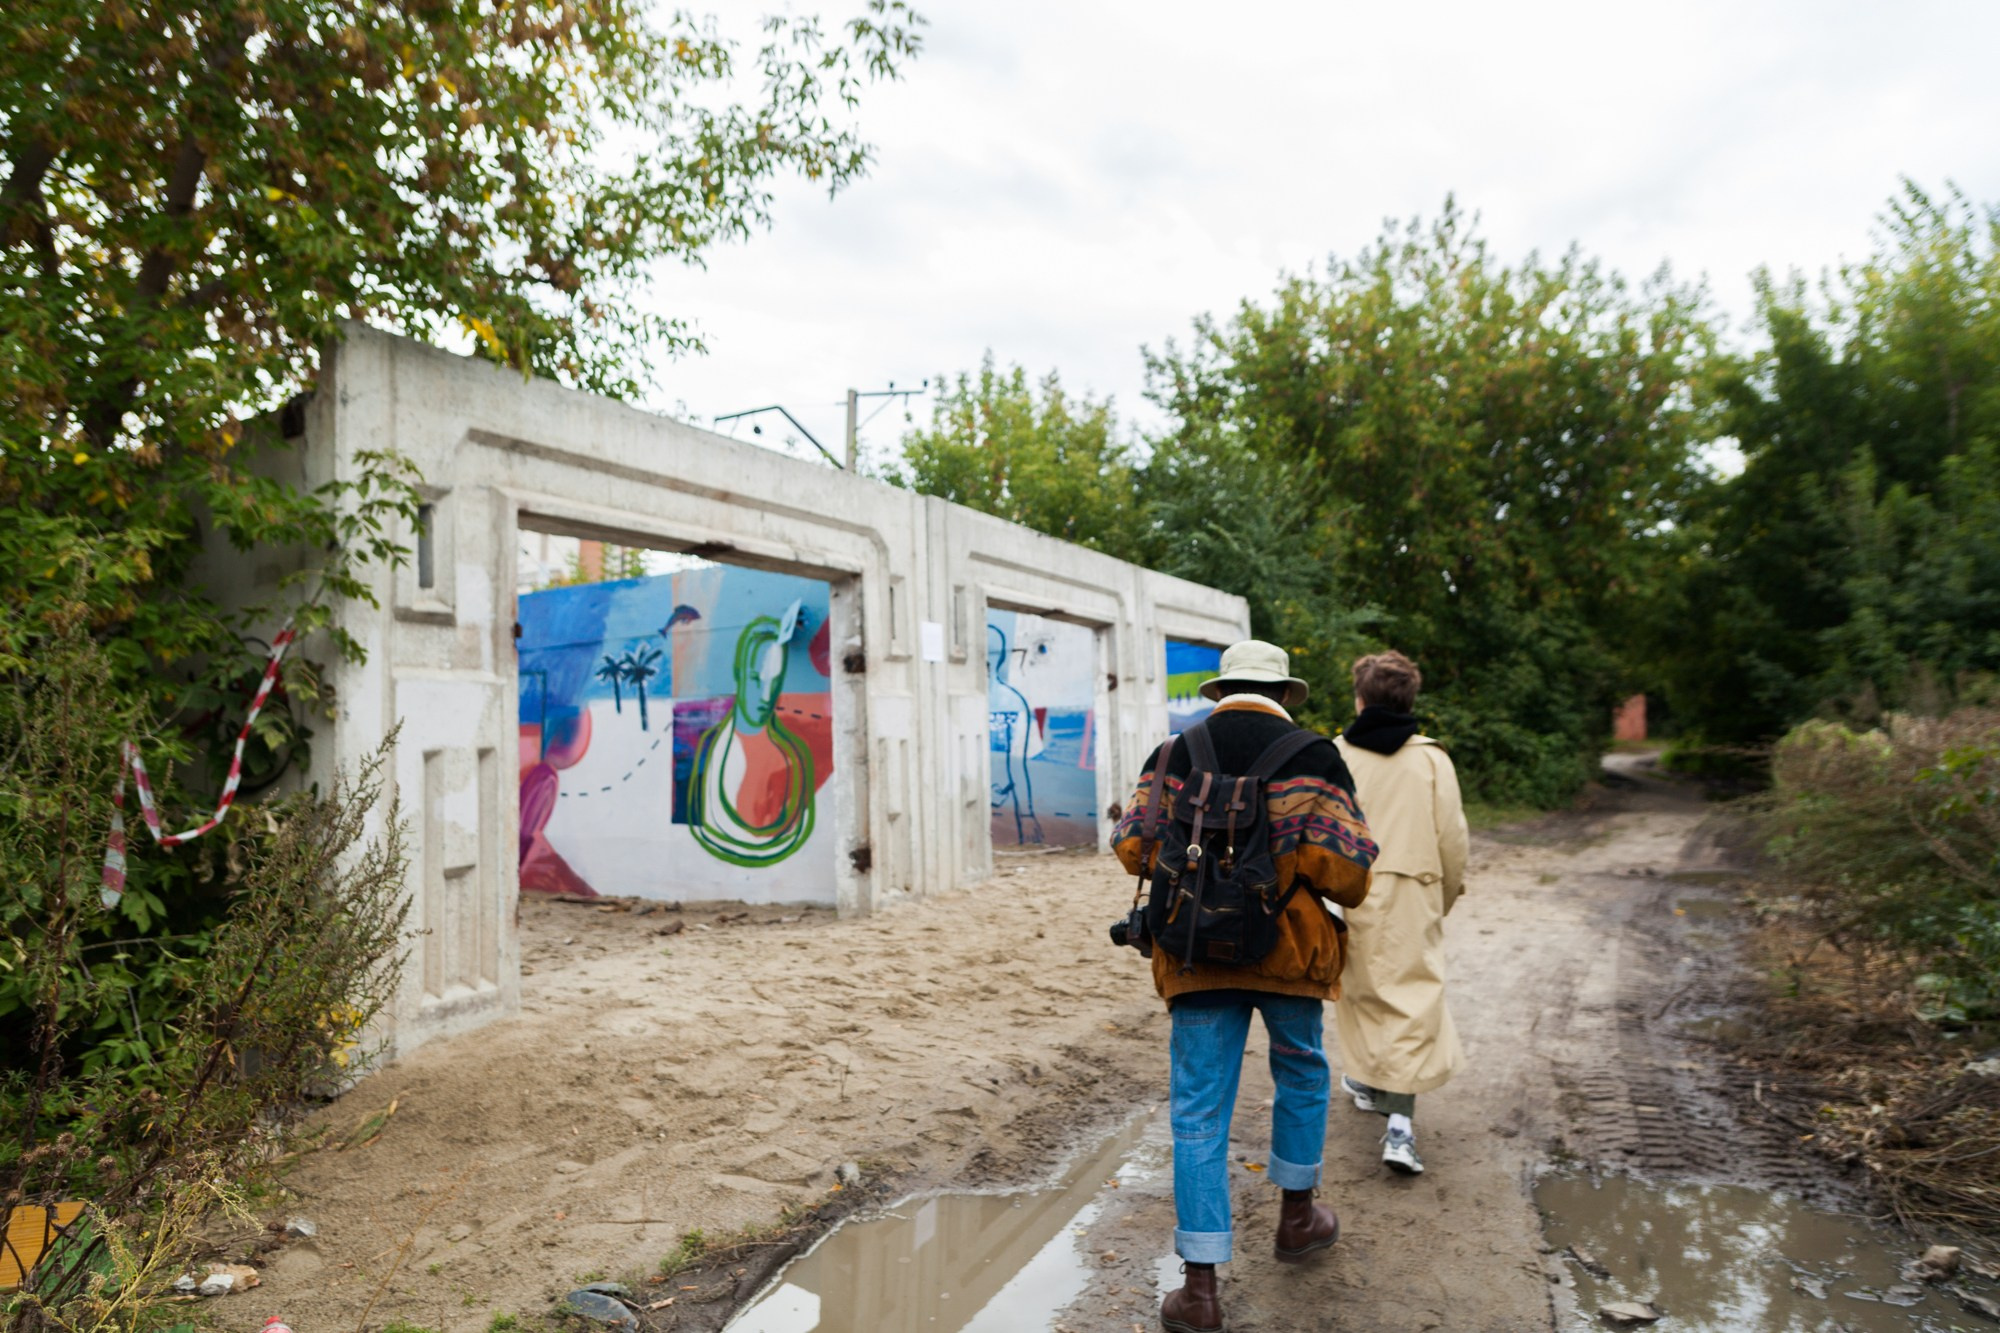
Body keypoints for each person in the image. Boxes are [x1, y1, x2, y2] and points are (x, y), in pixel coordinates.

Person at [1113, 640, 1377, 1333]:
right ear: (1285, 693)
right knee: (1301, 1070)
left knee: (1198, 1109)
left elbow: (1133, 848)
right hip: (1289, 951)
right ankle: (1297, 1219)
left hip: (1195, 952)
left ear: (1221, 690)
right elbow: (1346, 871)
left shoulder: (1172, 754)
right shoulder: (1315, 755)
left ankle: (1200, 1289)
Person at [1331, 650, 1469, 1176]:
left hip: (1352, 887)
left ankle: (1368, 1080)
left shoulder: (1338, 754)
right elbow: (1452, 840)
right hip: (1414, 891)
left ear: (1360, 698)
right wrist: (1446, 896)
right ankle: (1400, 1129)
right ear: (1410, 698)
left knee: (1362, 992)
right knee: (1412, 998)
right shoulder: (1432, 759)